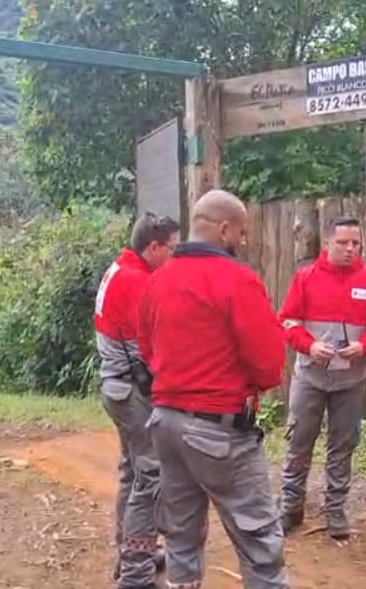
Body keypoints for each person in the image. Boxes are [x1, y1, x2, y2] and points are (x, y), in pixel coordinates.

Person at [138, 189, 289, 589]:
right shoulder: (237, 280)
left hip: (165, 423)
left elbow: (147, 350)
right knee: (259, 541)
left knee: (181, 535)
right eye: (241, 231)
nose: (243, 240)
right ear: (224, 229)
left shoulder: (158, 279)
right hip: (219, 430)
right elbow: (268, 363)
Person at [277, 216, 366, 541]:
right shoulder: (306, 278)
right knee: (299, 442)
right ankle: (290, 506)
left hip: (351, 381)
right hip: (309, 377)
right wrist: (310, 345)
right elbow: (287, 322)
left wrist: (364, 346)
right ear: (328, 242)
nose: (350, 248)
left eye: (356, 243)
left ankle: (336, 509)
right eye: (343, 242)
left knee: (343, 446)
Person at [94, 213, 181, 589]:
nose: (175, 255)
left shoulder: (121, 268)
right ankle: (136, 571)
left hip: (117, 387)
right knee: (151, 477)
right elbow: (151, 345)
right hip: (131, 390)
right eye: (172, 249)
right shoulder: (136, 280)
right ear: (154, 247)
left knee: (134, 473)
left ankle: (129, 551)